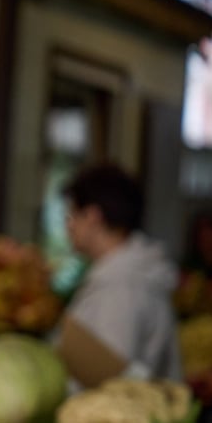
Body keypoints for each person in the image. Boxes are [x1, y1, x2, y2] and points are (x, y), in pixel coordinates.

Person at [59, 163, 183, 383]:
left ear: (92, 216)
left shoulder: (123, 286)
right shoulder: (127, 274)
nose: (68, 226)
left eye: (72, 215)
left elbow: (111, 375)